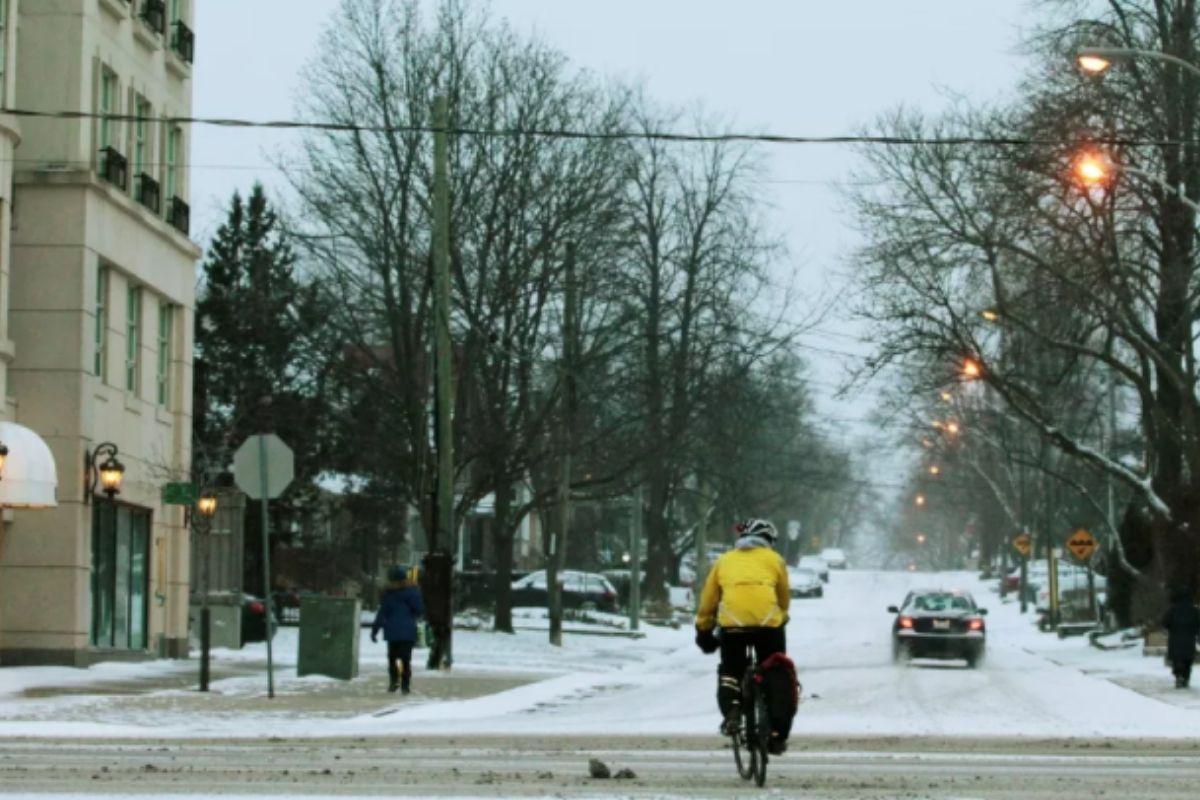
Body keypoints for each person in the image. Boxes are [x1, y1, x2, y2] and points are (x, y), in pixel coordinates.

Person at [694, 518, 791, 754]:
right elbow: (783, 598)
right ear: (768, 540)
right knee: (776, 670)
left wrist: (704, 628)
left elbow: (708, 600)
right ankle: (776, 730)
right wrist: (781, 617)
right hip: (768, 626)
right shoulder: (775, 560)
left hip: (733, 626)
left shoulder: (724, 560)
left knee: (731, 670)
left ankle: (732, 710)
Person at [371, 565, 425, 694]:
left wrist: (375, 631)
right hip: (408, 631)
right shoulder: (413, 592)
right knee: (406, 660)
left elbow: (382, 614)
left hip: (392, 632)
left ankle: (394, 681)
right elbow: (420, 610)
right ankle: (405, 686)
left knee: (392, 658)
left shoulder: (388, 594)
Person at [1161, 587, 1200, 689]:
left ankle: (1178, 676)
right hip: (1189, 639)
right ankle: (1186, 678)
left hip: (1175, 639)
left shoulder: (1172, 609)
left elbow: (1164, 622)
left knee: (1177, 659)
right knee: (1188, 660)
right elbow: (1198, 624)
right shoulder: (1194, 610)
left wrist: (1171, 628)